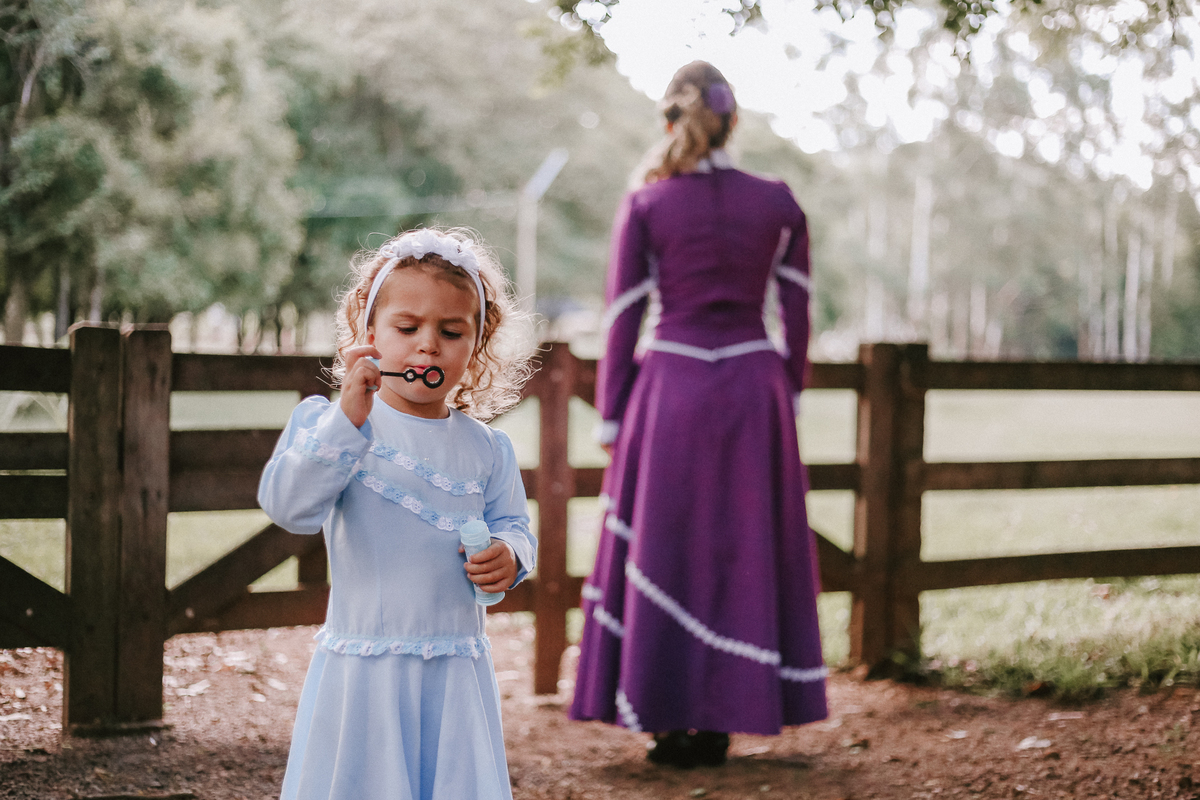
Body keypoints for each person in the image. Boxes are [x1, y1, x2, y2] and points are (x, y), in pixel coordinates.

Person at [568, 61, 828, 767]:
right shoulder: (777, 201)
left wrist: (613, 414)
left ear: (671, 121)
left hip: (672, 388)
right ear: (734, 121)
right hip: (753, 386)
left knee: (665, 543)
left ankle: (665, 717)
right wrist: (789, 389)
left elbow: (623, 315)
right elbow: (797, 310)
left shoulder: (649, 204)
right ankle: (725, 717)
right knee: (744, 544)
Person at [259, 228, 536, 800]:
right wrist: (346, 422)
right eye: (407, 328)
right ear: (369, 334)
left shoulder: (487, 448)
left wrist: (511, 557)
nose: (427, 346)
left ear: (476, 343)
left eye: (451, 331)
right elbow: (290, 509)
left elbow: (514, 526)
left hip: (454, 668)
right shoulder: (333, 425)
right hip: (365, 668)